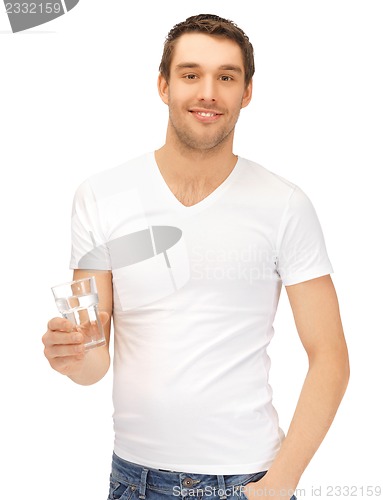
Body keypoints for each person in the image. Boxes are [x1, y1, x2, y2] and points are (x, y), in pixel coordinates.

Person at [42, 14, 350, 500]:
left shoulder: (285, 204)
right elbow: (92, 356)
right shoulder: (100, 197)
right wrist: (71, 355)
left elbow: (330, 356)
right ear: (163, 85)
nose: (208, 92)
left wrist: (279, 484)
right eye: (191, 75)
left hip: (249, 479)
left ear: (246, 92)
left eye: (226, 77)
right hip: (134, 480)